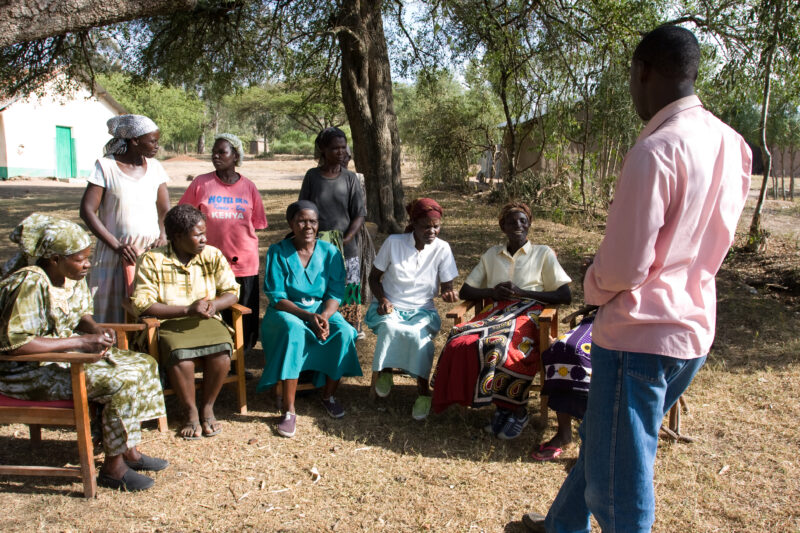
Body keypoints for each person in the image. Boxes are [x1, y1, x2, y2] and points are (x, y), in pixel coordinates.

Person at [522, 25, 752, 533]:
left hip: (638, 338)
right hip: (692, 332)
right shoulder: (731, 143)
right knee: (611, 448)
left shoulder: (656, 150)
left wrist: (590, 283)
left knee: (619, 488)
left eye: (631, 75)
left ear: (643, 71)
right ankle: (560, 526)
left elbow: (625, 268)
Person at [0, 214, 167, 492]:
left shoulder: (71, 276)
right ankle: (113, 469)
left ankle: (128, 451)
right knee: (118, 380)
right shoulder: (30, 283)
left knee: (144, 363)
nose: (87, 264)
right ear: (54, 259)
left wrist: (96, 330)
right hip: (25, 372)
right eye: (80, 259)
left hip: (61, 359)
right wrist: (78, 344)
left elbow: (80, 316)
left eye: (88, 257)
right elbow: (16, 344)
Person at [431, 202, 572, 439]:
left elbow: (564, 295)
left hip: (529, 315)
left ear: (529, 224)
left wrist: (523, 293)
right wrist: (493, 292)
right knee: (459, 339)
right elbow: (466, 291)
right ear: (502, 227)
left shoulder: (543, 253)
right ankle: (501, 407)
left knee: (497, 346)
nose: (517, 225)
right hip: (495, 313)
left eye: (522, 221)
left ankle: (517, 410)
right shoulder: (492, 255)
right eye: (511, 222)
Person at [131, 204, 240, 440]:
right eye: (197, 234)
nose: (204, 239)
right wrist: (187, 309)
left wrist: (215, 305)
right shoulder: (152, 260)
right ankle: (190, 411)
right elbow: (142, 304)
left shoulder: (212, 255)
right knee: (182, 355)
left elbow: (232, 291)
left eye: (204, 233)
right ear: (178, 237)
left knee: (222, 352)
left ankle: (207, 407)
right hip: (168, 323)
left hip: (206, 321)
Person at [257, 200, 362, 438]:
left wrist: (324, 316)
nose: (308, 226)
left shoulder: (331, 252)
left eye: (312, 221)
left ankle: (328, 396)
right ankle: (289, 410)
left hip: (321, 309)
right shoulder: (278, 251)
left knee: (345, 332)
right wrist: (307, 316)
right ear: (291, 223)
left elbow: (335, 293)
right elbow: (276, 296)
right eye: (301, 221)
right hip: (287, 311)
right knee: (294, 331)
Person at [365, 198, 459, 420]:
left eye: (436, 226)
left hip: (423, 310)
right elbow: (374, 278)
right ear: (413, 224)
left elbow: (447, 286)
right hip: (391, 306)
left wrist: (448, 293)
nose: (432, 231)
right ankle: (386, 371)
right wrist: (383, 300)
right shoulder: (394, 242)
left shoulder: (442, 248)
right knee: (390, 328)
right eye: (426, 226)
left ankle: (423, 392)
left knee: (418, 337)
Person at [179, 133, 267, 351]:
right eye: (214, 152)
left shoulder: (249, 187)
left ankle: (241, 357)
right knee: (213, 310)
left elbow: (256, 223)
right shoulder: (202, 183)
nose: (216, 156)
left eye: (222, 152)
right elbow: (184, 215)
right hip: (208, 262)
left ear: (235, 155)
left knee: (244, 312)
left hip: (244, 262)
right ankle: (216, 354)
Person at [80, 114, 170, 324]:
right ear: (135, 140)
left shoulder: (155, 168)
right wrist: (117, 245)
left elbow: (164, 208)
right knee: (112, 313)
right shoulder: (106, 167)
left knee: (147, 309)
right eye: (153, 140)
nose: (157, 145)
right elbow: (87, 211)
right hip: (115, 253)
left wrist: (163, 235)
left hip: (150, 253)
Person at [298, 127, 367, 332]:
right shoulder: (312, 177)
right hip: (316, 244)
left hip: (347, 245)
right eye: (334, 148)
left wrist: (347, 238)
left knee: (348, 287)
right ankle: (320, 322)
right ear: (323, 150)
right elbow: (303, 209)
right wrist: (310, 236)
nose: (340, 152)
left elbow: (359, 213)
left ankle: (351, 328)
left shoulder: (350, 178)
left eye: (343, 147)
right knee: (319, 285)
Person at [531, 308, 594, 461]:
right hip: (599, 318)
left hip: (629, 324)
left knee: (581, 353)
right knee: (562, 348)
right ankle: (564, 433)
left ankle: (595, 435)